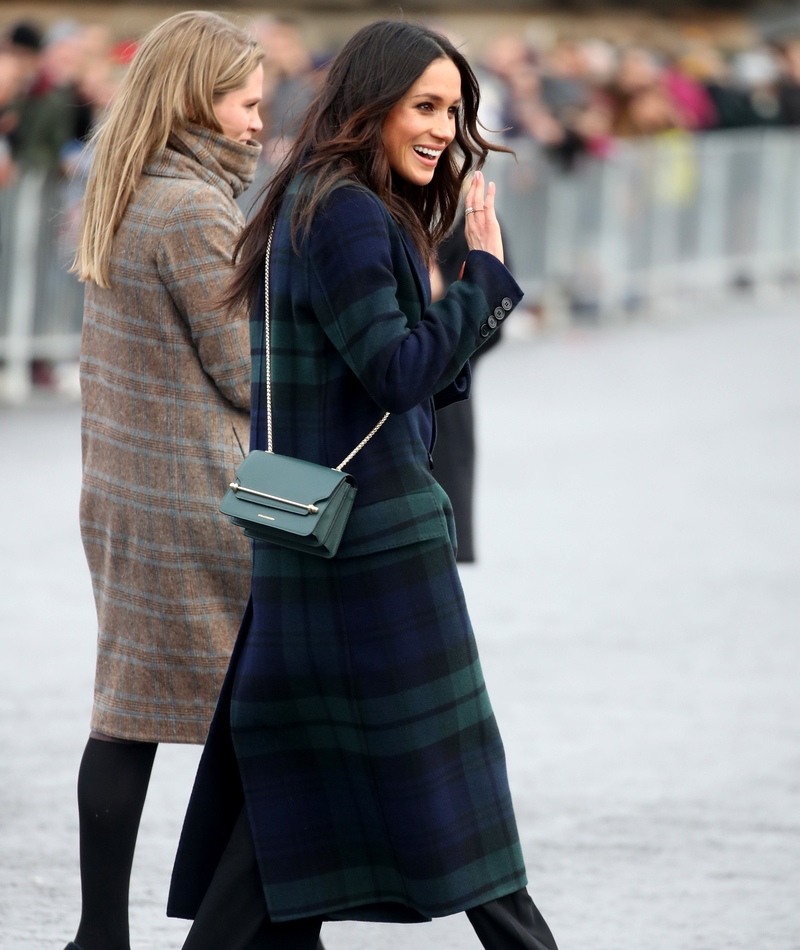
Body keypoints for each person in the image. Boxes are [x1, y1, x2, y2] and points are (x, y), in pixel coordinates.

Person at [168, 20, 559, 950]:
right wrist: (484, 278)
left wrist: (461, 292)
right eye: (426, 107)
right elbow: (396, 372)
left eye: (455, 111)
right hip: (369, 548)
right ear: (372, 105)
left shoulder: (318, 201)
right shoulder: (342, 210)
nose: (444, 129)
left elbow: (412, 377)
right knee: (456, 798)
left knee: (289, 812)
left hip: (317, 536)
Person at [65, 12, 264, 950]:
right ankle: (225, 934)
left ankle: (99, 934)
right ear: (198, 99)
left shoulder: (126, 186)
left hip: (125, 492)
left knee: (127, 714)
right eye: (247, 102)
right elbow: (244, 372)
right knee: (263, 718)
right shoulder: (195, 206)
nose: (261, 122)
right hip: (204, 496)